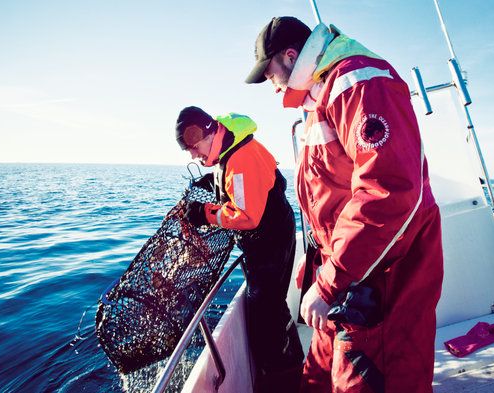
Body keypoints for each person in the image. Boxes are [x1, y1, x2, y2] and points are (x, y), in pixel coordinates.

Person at [245, 17, 444, 393]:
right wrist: (319, 258)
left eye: (270, 75)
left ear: (291, 56)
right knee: (318, 380)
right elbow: (334, 188)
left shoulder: (358, 82)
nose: (272, 88)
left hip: (382, 276)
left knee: (373, 380)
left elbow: (391, 190)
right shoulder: (322, 93)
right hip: (347, 271)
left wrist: (333, 279)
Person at [175, 106, 303, 392]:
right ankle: (290, 368)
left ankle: (285, 380)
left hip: (270, 246)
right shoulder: (229, 146)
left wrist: (205, 214)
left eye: (194, 148)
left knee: (266, 313)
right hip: (270, 241)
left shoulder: (241, 159)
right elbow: (241, 186)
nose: (194, 155)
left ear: (207, 134)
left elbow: (247, 216)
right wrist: (215, 182)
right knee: (268, 309)